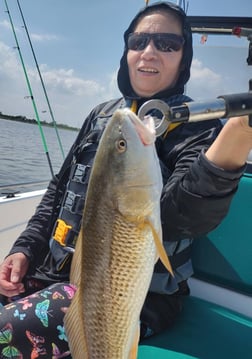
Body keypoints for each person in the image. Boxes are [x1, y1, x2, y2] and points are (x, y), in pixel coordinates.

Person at [0, 1, 251, 357]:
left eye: (167, 44)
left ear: (185, 57)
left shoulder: (197, 128)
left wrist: (238, 134)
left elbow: (186, 216)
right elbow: (60, 190)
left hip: (137, 297)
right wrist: (24, 249)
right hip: (56, 273)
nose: (150, 51)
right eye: (139, 41)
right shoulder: (103, 116)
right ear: (127, 51)